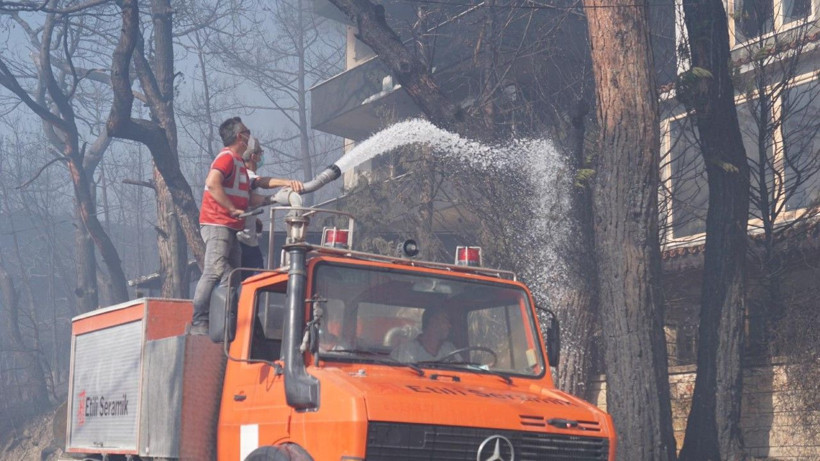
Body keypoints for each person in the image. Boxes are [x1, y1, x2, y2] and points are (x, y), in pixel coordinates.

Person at [190, 118, 301, 335]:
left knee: (234, 276)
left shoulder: (239, 163)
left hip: (230, 228)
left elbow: (255, 189)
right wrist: (231, 208)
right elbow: (213, 182)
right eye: (247, 132)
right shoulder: (227, 158)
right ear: (241, 137)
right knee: (217, 272)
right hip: (218, 225)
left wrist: (279, 192)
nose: (250, 136)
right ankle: (199, 321)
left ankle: (231, 324)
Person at [237, 136, 304, 278]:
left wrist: (254, 221)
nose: (262, 157)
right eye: (260, 153)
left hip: (248, 240)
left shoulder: (242, 175)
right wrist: (285, 184)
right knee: (254, 280)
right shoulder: (245, 174)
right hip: (242, 242)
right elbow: (261, 183)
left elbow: (245, 200)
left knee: (252, 280)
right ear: (254, 156)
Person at [391, 307, 457, 363]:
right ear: (433, 322)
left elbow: (462, 369)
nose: (449, 326)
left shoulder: (449, 348)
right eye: (445, 321)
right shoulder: (407, 350)